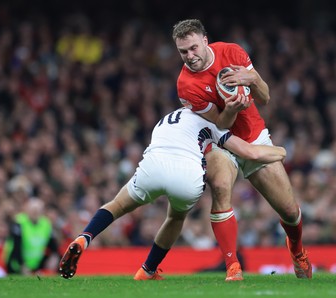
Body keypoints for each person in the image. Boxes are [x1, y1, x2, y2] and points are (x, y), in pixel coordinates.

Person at [59, 108, 286, 280]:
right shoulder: (212, 123)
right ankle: (147, 270)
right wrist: (280, 151)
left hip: (153, 166)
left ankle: (84, 237)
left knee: (117, 205)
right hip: (186, 174)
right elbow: (250, 152)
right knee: (175, 217)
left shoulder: (168, 118)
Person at [172, 19, 312, 279]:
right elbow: (220, 125)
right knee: (221, 187)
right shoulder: (186, 85)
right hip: (220, 143)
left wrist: (253, 79)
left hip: (254, 136)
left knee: (290, 212)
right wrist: (232, 108)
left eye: (193, 48)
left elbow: (265, 97)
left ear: (205, 40)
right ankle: (232, 266)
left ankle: (297, 248)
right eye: (183, 52)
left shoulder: (232, 52)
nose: (190, 56)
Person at [2, 198, 60, 275]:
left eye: (38, 210)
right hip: (15, 262)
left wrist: (54, 256)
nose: (35, 213)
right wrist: (22, 265)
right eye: (33, 210)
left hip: (34, 264)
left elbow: (53, 246)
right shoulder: (19, 222)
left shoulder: (46, 224)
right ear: (27, 210)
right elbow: (16, 247)